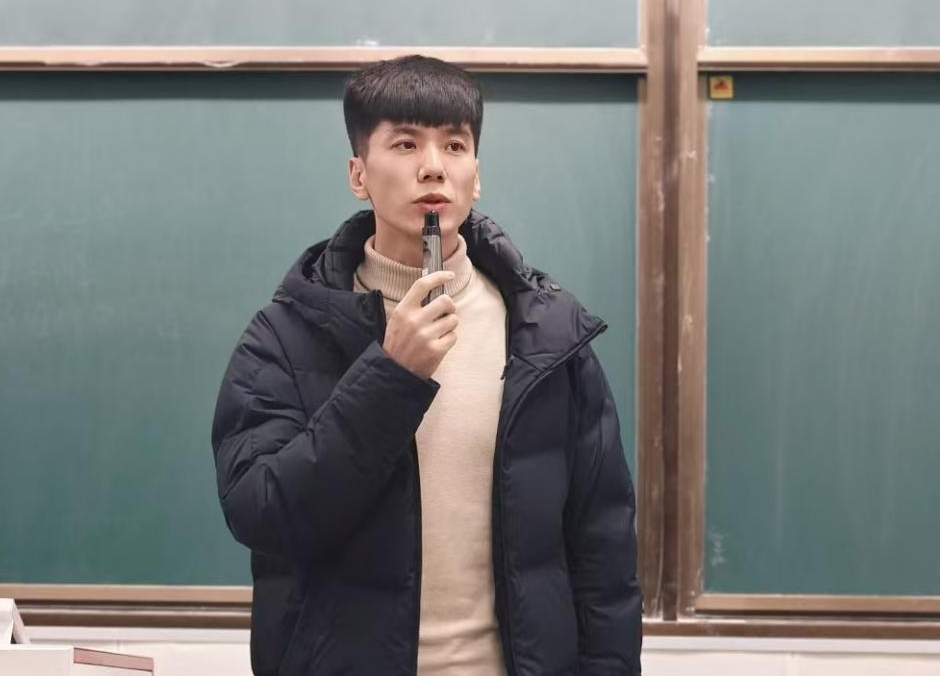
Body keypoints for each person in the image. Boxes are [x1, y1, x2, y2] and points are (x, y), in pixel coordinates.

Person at [212, 55, 642, 675]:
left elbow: (603, 548)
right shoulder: (285, 336)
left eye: (455, 145)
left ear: (476, 175)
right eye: (406, 143)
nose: (433, 166)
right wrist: (390, 376)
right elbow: (263, 514)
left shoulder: (547, 335)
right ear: (359, 174)